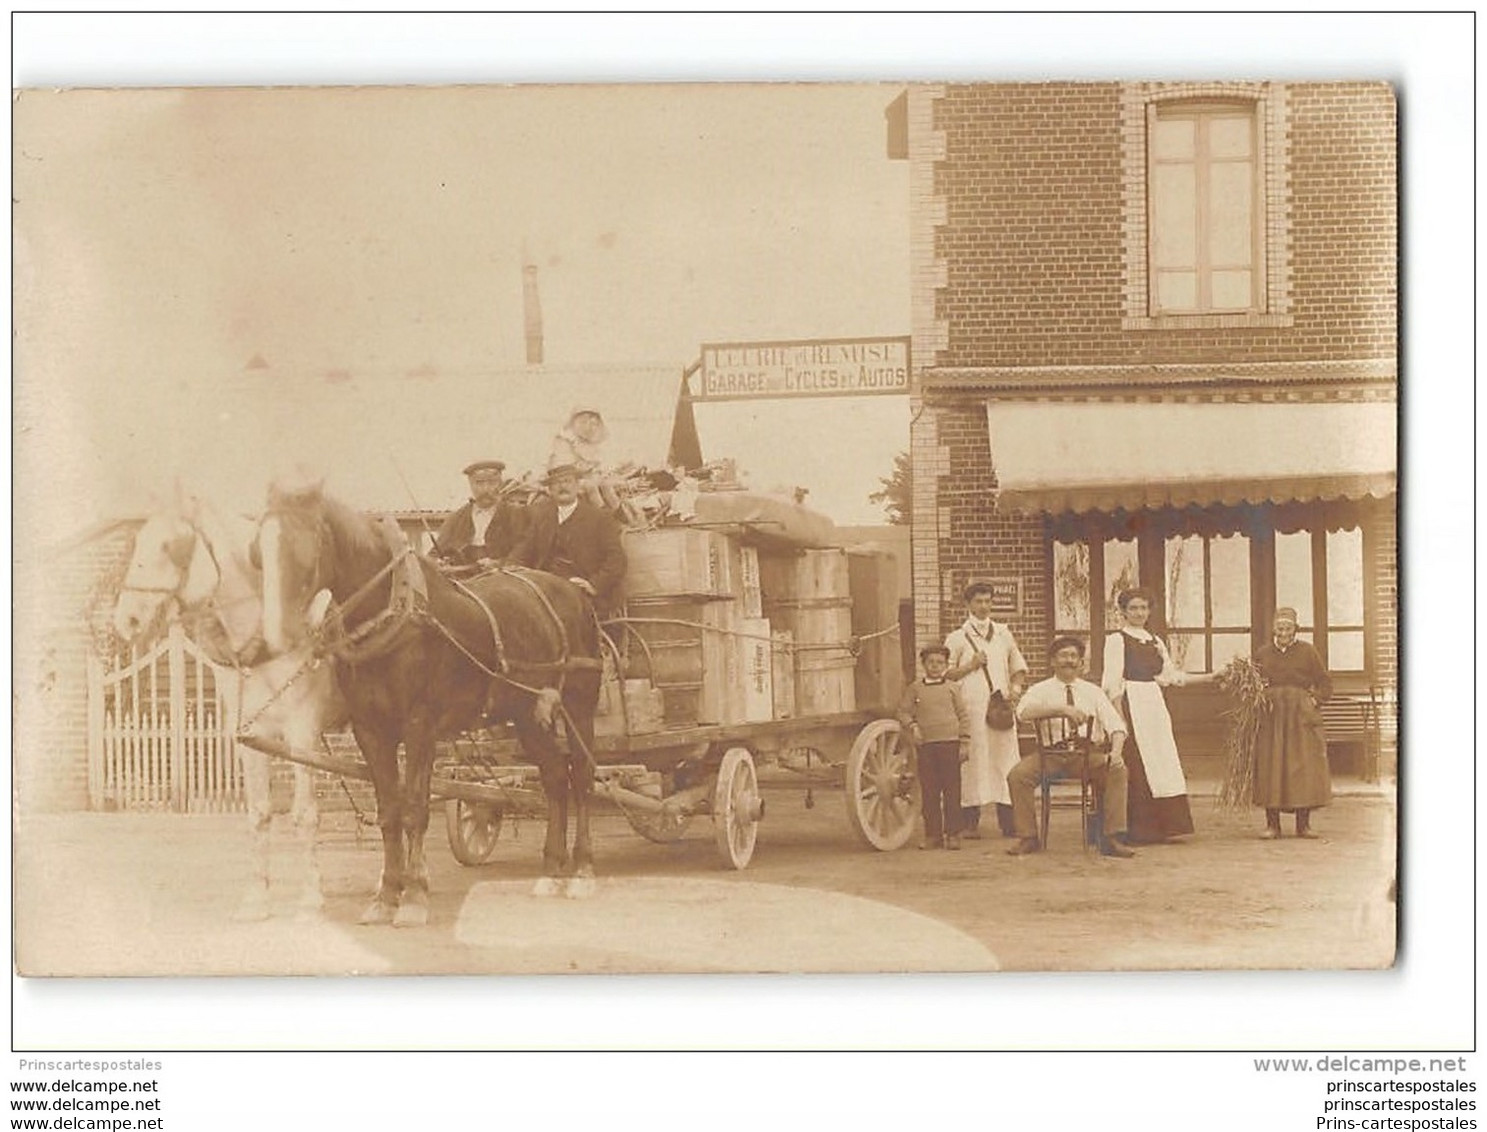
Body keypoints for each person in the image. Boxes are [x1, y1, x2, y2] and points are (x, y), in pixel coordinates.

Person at [1101, 586, 1215, 844]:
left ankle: (1164, 828)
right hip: (1130, 703)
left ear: (1149, 611)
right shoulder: (1116, 640)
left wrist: (1211, 677)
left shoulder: (1155, 640)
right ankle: (1133, 830)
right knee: (1138, 763)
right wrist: (1120, 719)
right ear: (1122, 611)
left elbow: (1171, 677)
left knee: (1161, 762)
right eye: (1133, 608)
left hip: (1154, 706)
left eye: (1143, 608)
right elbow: (1112, 682)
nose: (1139, 613)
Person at [1007, 636, 1135, 858]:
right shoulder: (1040, 689)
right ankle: (1028, 837)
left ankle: (1111, 838)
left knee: (1117, 769)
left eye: (1074, 656)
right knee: (1018, 775)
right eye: (1063, 656)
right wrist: (1062, 709)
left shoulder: (1092, 692)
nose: (1069, 661)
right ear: (1052, 662)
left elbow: (1117, 726)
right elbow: (1022, 713)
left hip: (1086, 756)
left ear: (1081, 662)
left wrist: (1116, 752)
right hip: (1050, 756)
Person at [944, 581, 1028, 839]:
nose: (983, 606)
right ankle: (970, 823)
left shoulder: (1003, 633)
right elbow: (945, 673)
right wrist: (971, 665)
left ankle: (1009, 821)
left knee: (1005, 760)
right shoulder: (957, 637)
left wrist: (1015, 690)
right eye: (978, 601)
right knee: (974, 761)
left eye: (988, 601)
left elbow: (1019, 667)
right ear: (968, 604)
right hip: (971, 707)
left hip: (1000, 709)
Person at [1251, 607, 1333, 839]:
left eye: (1288, 627)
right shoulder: (1263, 653)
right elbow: (1252, 680)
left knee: (1302, 766)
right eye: (1280, 627)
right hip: (1272, 715)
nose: (1284, 631)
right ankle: (1272, 825)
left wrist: (1315, 701)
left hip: (1300, 714)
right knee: (1271, 765)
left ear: (1296, 628)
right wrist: (1257, 700)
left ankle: (1303, 825)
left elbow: (1325, 682)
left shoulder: (1307, 651)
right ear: (1273, 630)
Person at [511, 463, 627, 617]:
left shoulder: (600, 518)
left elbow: (617, 560)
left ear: (578, 487)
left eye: (567, 481)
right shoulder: (541, 518)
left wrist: (594, 585)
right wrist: (508, 569)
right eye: (556, 483)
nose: (562, 486)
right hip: (547, 587)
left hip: (584, 590)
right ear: (550, 490)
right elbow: (523, 550)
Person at [898, 645, 971, 850]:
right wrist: (913, 726)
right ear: (924, 665)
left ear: (946, 665)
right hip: (926, 746)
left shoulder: (952, 687)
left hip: (950, 744)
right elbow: (903, 712)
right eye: (931, 662)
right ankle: (933, 835)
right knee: (929, 791)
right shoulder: (915, 688)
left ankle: (953, 834)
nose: (935, 666)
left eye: (940, 663)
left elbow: (963, 716)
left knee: (952, 791)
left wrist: (964, 742)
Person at [433, 460, 526, 569]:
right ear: (471, 485)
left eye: (492, 483)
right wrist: (437, 561)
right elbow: (436, 550)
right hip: (462, 576)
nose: (486, 489)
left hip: (501, 576)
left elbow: (524, 548)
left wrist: (499, 563)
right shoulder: (457, 518)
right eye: (479, 483)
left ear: (500, 484)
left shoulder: (514, 513)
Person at [549, 407, 622, 512]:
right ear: (575, 423)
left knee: (606, 485)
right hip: (568, 478)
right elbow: (563, 467)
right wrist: (584, 471)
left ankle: (617, 511)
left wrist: (602, 473)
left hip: (587, 477)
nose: (589, 427)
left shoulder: (592, 444)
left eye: (593, 424)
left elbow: (598, 465)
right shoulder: (565, 441)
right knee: (591, 487)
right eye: (584, 422)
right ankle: (601, 512)